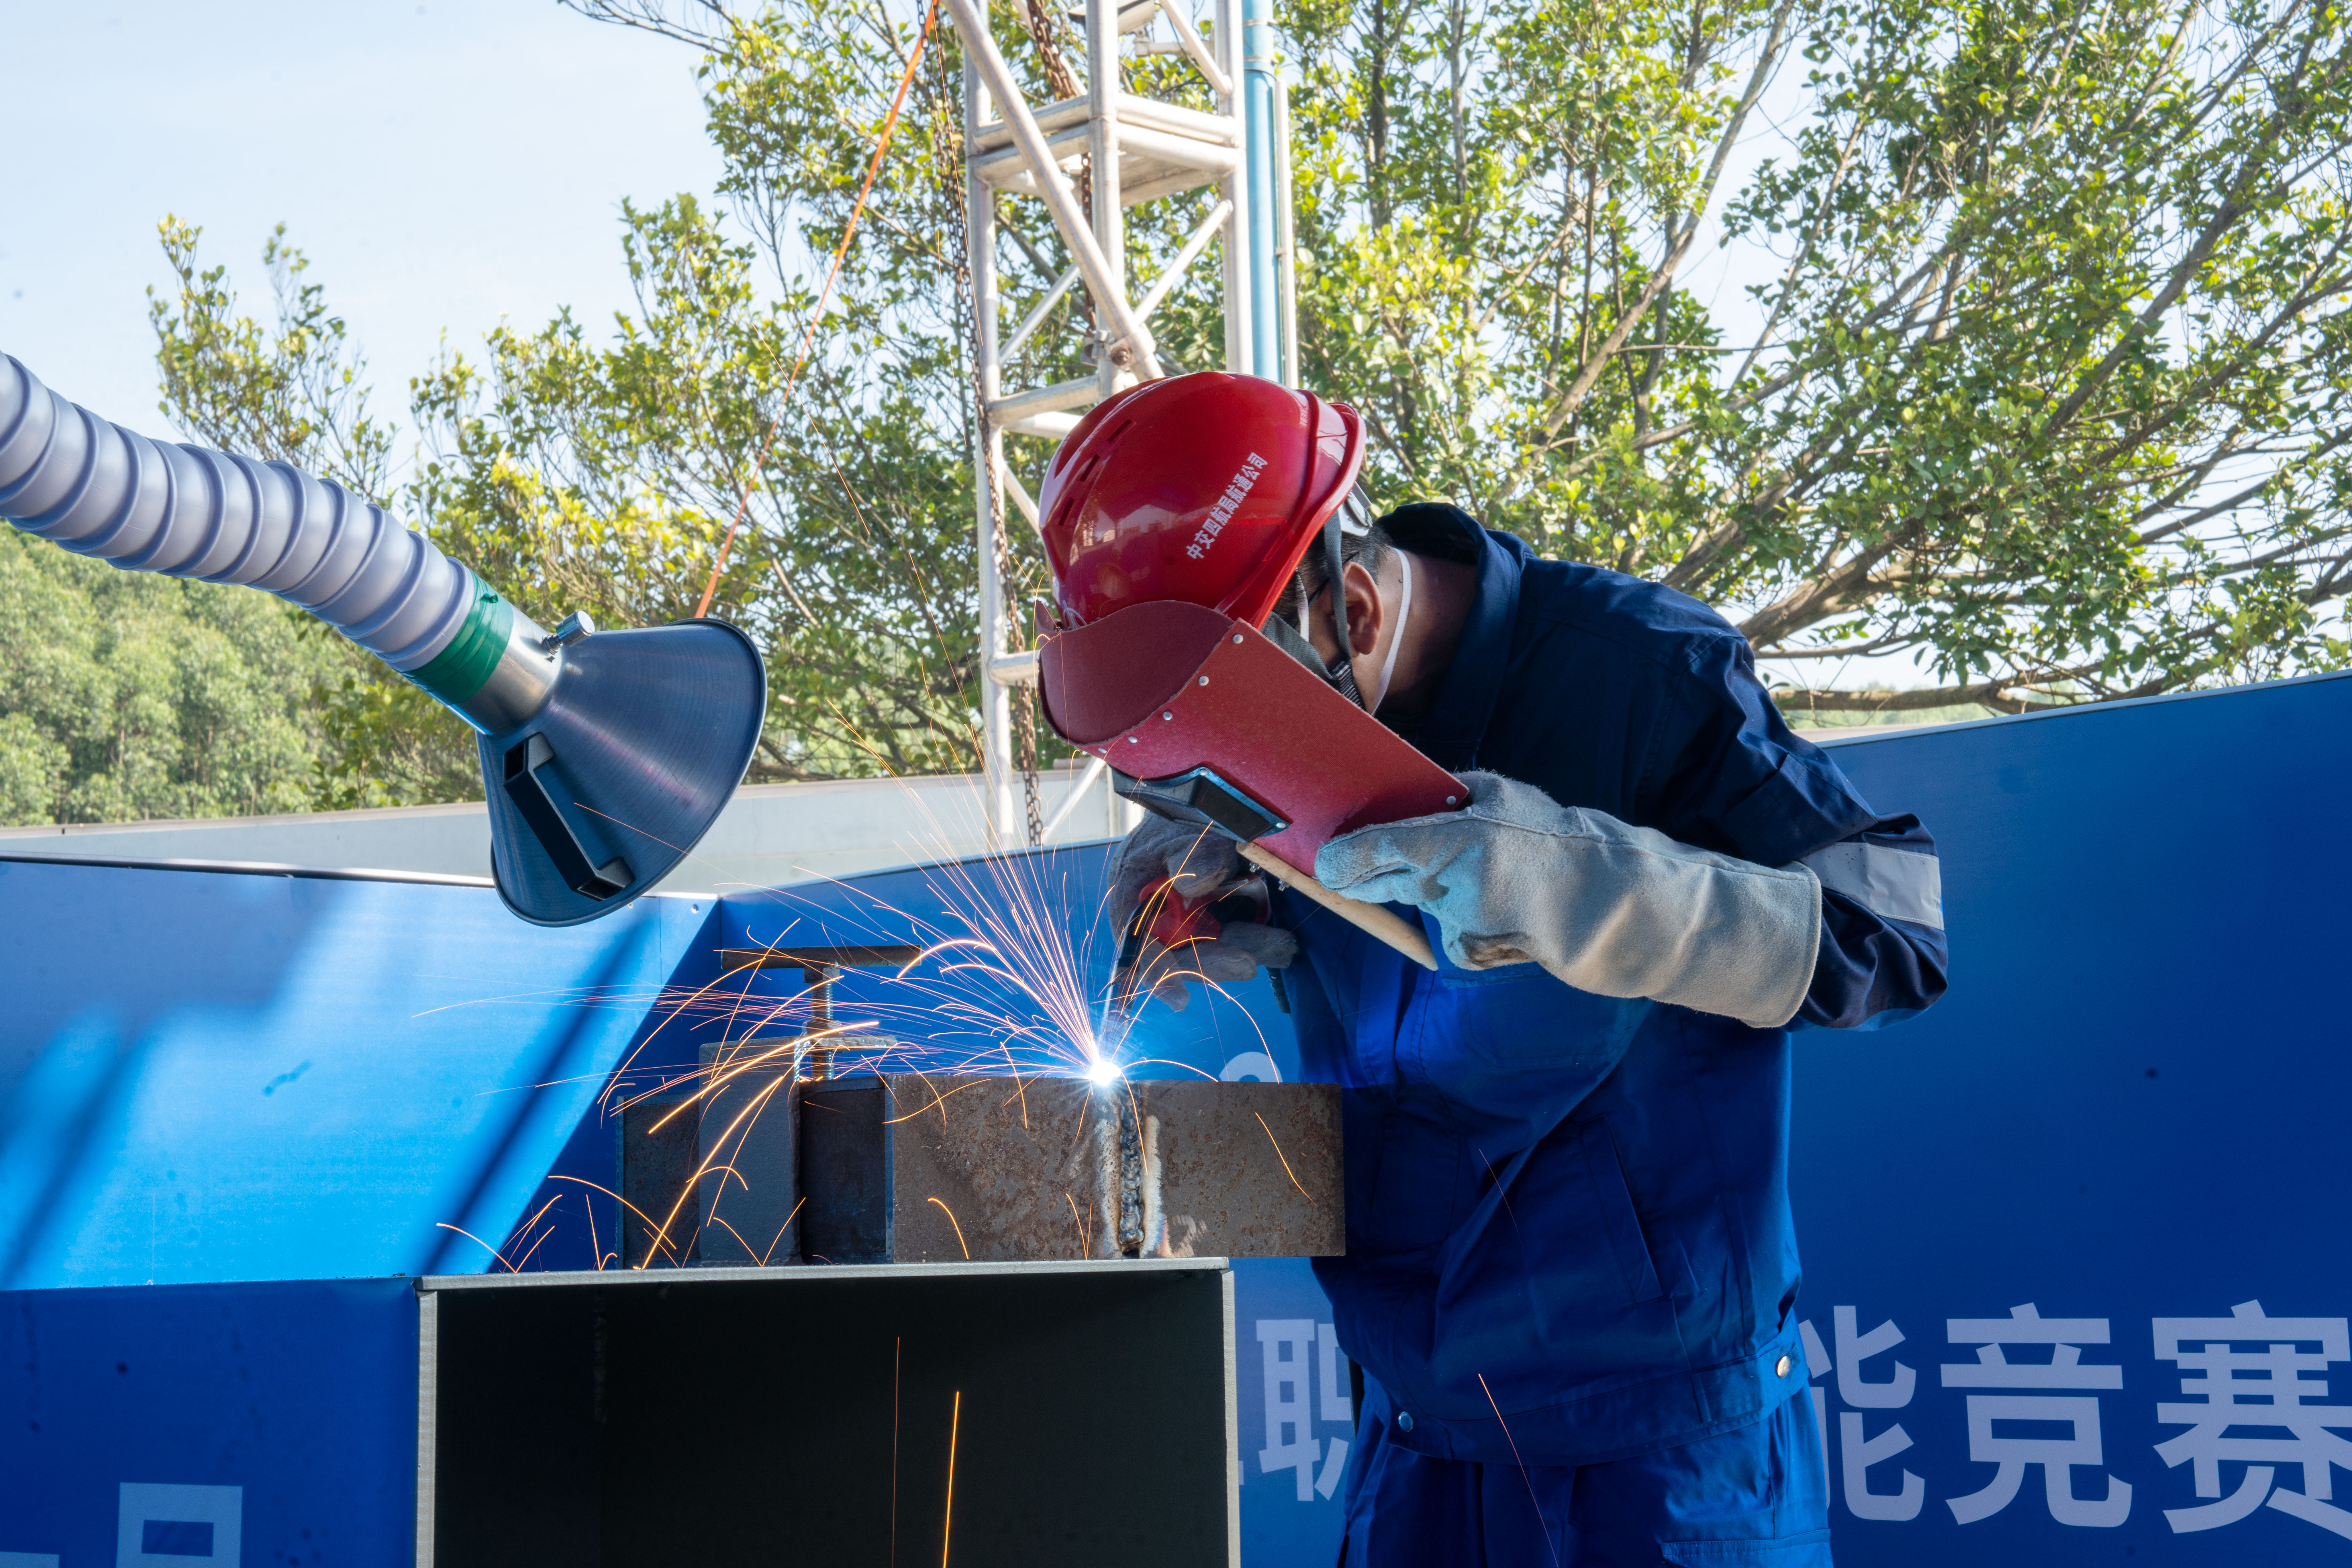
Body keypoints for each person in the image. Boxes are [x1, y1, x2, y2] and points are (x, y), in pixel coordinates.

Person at [1044, 373, 1949, 1566]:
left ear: (1352, 609)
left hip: (1660, 1466)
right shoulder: (1285, 679)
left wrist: (1579, 885)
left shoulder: (1640, 673)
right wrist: (1236, 887)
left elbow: (1892, 940)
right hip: (1415, 1444)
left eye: (1222, 736)